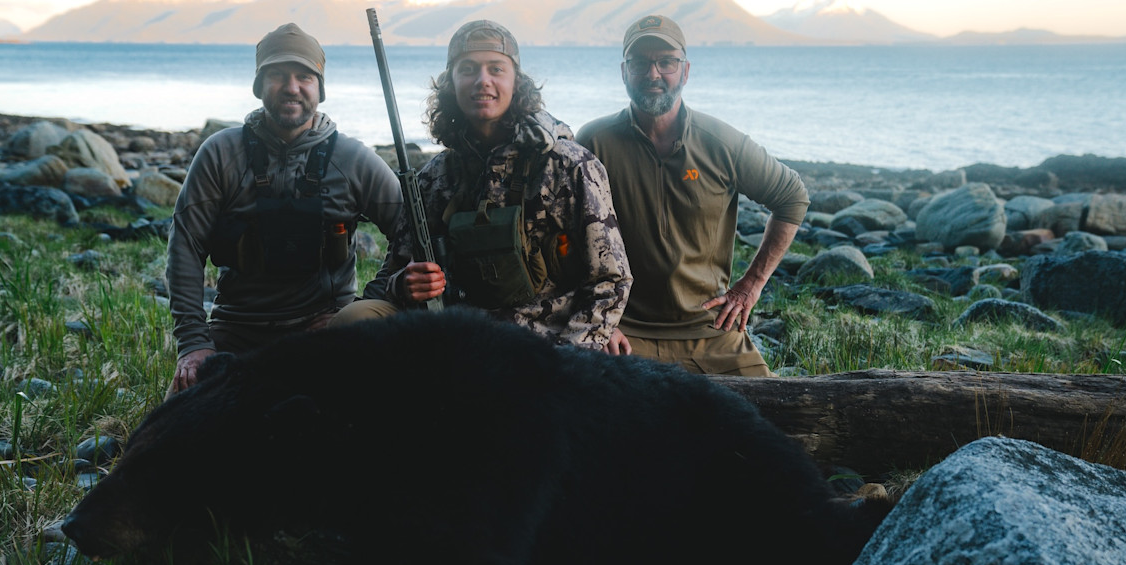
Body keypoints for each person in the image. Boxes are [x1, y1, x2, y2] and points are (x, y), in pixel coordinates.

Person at [335, 20, 631, 352]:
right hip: (454, 337)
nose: (482, 81)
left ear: (516, 81)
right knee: (352, 321)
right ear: (451, 83)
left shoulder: (567, 165)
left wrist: (568, 360)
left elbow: (610, 281)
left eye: (496, 69)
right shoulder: (435, 177)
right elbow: (395, 272)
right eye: (468, 69)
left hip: (543, 345)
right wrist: (404, 284)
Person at [165, 23, 402, 395]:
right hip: (237, 326)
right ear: (259, 86)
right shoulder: (219, 153)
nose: (291, 87)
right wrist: (194, 343)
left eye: (304, 76)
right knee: (179, 430)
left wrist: (368, 299)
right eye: (277, 75)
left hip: (324, 326)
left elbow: (410, 232)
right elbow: (185, 246)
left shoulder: (353, 159)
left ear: (320, 89)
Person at [576, 14, 810, 376]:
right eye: (640, 63)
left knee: (773, 420)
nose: (653, 74)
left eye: (666, 62)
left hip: (711, 330)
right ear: (624, 72)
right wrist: (600, 319)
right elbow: (565, 236)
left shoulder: (720, 142)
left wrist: (750, 286)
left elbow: (792, 197)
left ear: (685, 71)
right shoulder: (594, 141)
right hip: (624, 331)